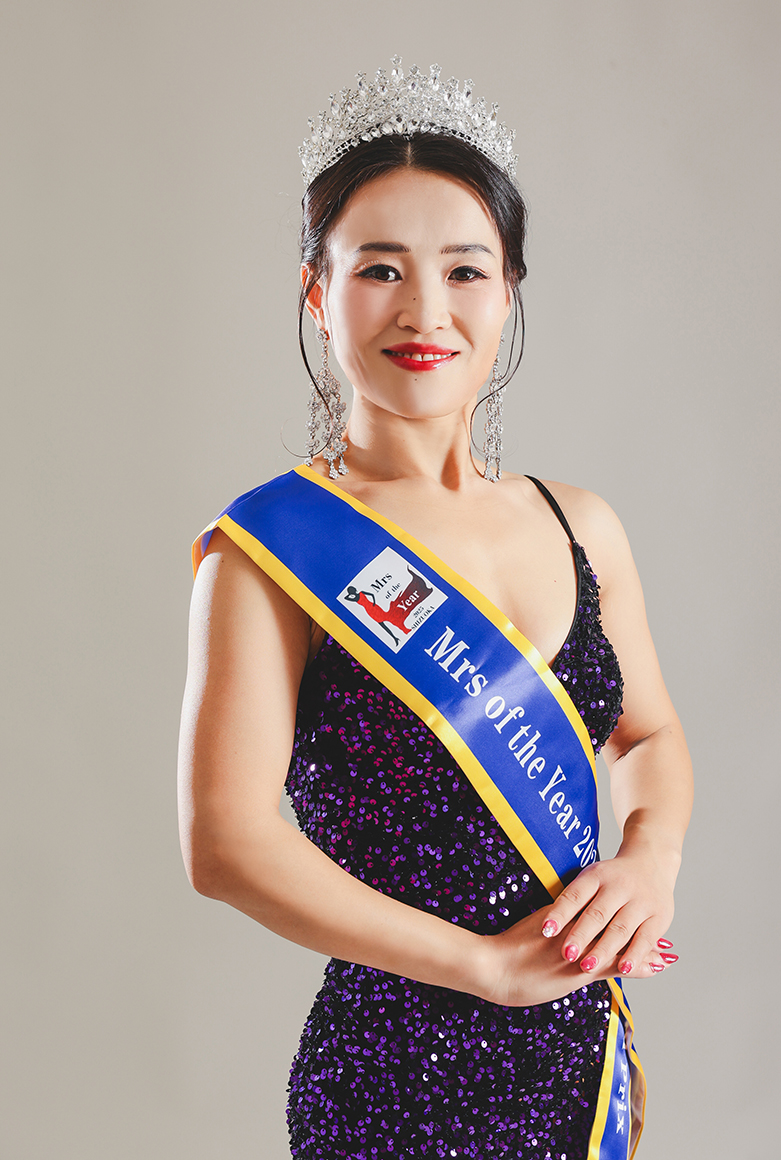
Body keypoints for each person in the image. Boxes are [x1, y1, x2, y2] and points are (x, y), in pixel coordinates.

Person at [178, 59, 693, 1159]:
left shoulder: (581, 524)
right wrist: (485, 968)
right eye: (379, 270)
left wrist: (651, 857)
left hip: (578, 1054)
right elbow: (223, 841)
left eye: (465, 270)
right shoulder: (272, 550)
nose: (425, 311)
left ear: (508, 292)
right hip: (390, 1081)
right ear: (316, 292)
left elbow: (648, 737)